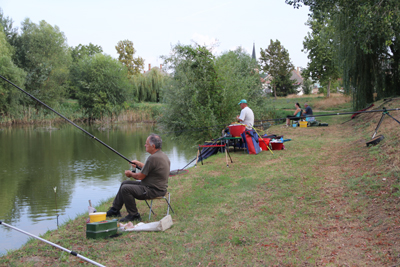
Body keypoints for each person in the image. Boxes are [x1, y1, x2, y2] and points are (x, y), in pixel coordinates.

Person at [106, 134, 171, 222]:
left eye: (146, 144)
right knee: (124, 183)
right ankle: (115, 209)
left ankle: (134, 215)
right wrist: (139, 164)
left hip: (154, 190)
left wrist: (130, 174)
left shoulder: (152, 158)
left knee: (126, 188)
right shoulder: (162, 155)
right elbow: (151, 168)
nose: (145, 145)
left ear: (153, 146)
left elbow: (140, 176)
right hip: (156, 187)